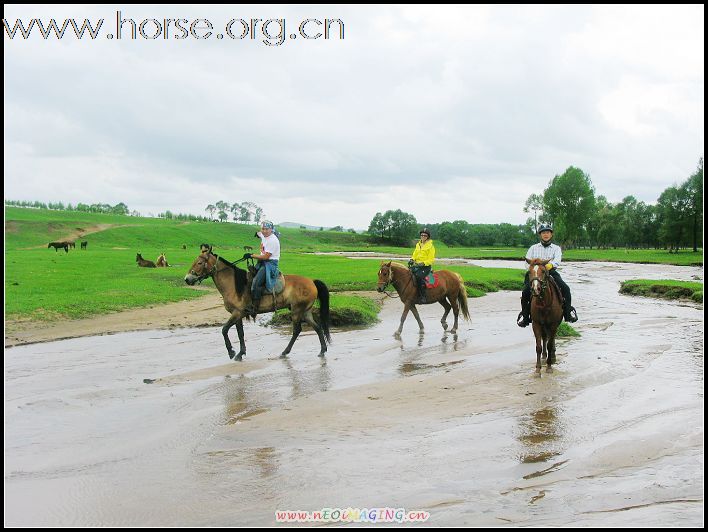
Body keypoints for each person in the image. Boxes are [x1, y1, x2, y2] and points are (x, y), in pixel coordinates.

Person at [517, 224, 578, 327]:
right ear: (540, 235)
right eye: (543, 233)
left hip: (550, 272)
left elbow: (557, 261)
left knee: (566, 289)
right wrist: (534, 270)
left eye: (548, 232)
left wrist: (550, 265)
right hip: (535, 273)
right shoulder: (533, 248)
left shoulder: (556, 248)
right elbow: (527, 262)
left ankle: (567, 314)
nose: (546, 234)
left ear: (551, 234)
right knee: (525, 292)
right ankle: (525, 316)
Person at [243, 221, 280, 317]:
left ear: (271, 229)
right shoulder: (264, 235)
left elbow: (266, 257)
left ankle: (255, 308)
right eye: (262, 229)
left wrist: (251, 255)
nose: (264, 231)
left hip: (270, 264)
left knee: (256, 282)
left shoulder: (273, 240)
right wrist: (258, 234)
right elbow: (261, 235)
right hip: (263, 263)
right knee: (249, 277)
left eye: (266, 229)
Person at [408, 227, 436, 304]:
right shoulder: (418, 245)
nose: (423, 236)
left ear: (428, 237)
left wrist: (423, 263)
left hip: (425, 267)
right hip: (417, 265)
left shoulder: (431, 247)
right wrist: (412, 259)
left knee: (418, 277)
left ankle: (423, 296)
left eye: (425, 235)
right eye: (422, 235)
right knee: (407, 274)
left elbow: (431, 259)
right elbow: (415, 254)